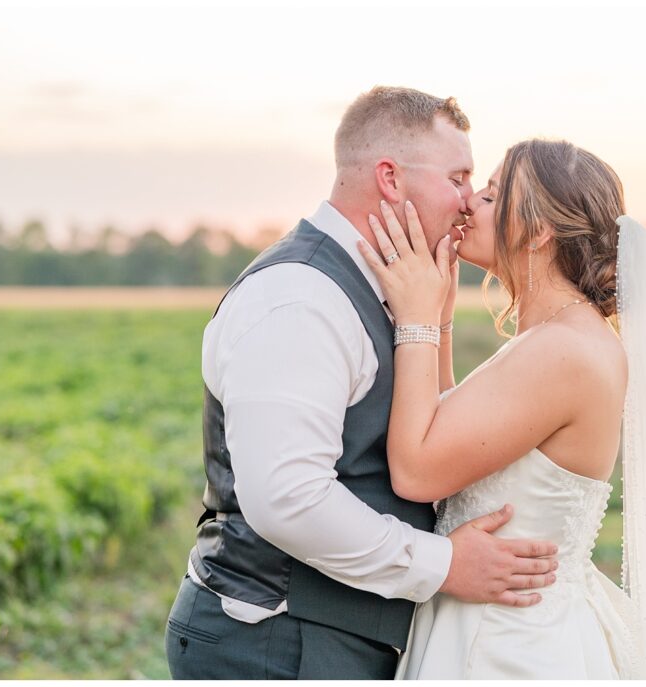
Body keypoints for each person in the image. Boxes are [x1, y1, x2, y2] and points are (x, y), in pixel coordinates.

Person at [164, 87, 560, 680]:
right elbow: (288, 499)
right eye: (458, 178)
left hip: (324, 641)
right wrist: (444, 564)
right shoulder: (300, 297)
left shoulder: (382, 289)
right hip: (273, 643)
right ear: (390, 179)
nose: (465, 203)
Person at [357, 138, 646, 679]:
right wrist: (437, 316)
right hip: (497, 625)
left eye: (492, 194)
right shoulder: (559, 339)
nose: (469, 204)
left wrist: (412, 318)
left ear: (538, 230)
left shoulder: (562, 352)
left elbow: (417, 471)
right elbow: (448, 429)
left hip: (507, 646)